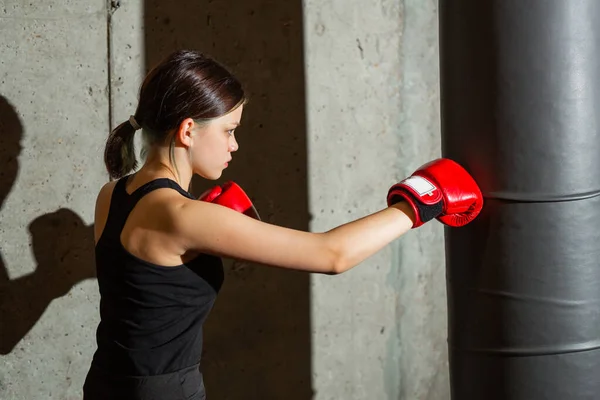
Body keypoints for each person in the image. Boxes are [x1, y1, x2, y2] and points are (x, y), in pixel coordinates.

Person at [82, 49, 483, 400]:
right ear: (188, 130)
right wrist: (421, 201)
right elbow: (331, 254)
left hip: (106, 383)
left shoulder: (112, 195)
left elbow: (141, 286)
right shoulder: (187, 218)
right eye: (229, 130)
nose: (234, 145)